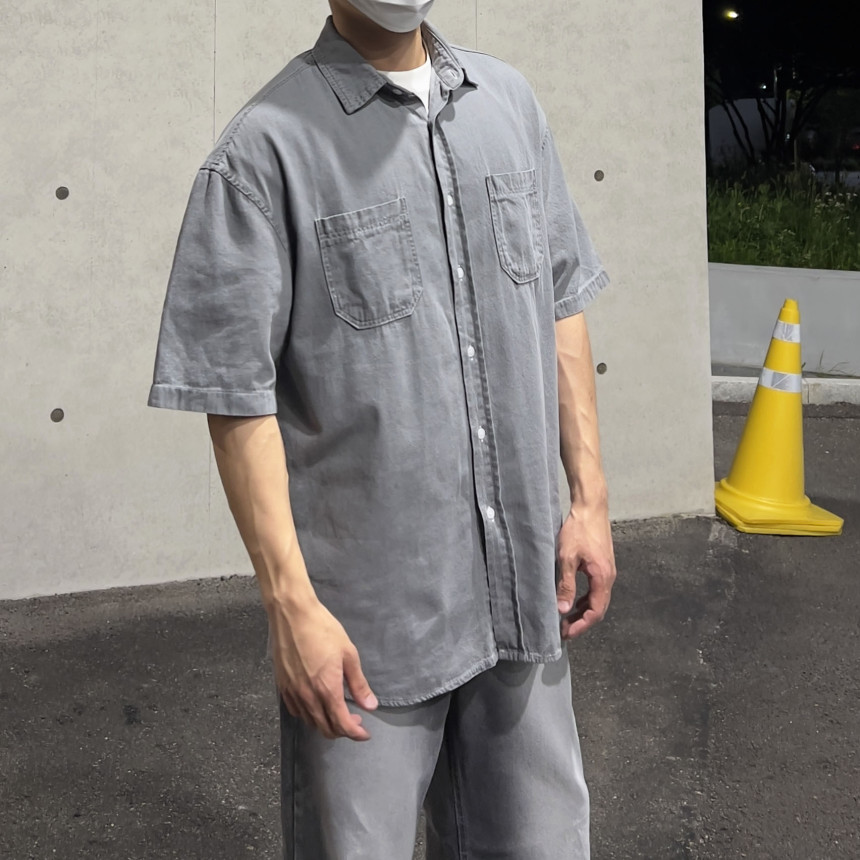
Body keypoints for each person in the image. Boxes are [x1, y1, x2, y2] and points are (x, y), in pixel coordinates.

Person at [147, 0, 617, 856]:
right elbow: (237, 398)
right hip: (367, 630)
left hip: (522, 589)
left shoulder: (509, 104)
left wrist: (588, 498)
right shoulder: (264, 150)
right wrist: (290, 606)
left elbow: (559, 300)